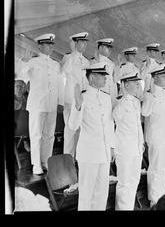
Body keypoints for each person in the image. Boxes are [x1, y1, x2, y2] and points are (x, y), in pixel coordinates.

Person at [68, 62, 115, 210]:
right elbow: (72, 126)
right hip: (89, 154)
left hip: (105, 153)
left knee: (102, 194)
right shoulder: (82, 97)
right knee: (86, 195)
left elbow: (109, 124)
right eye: (102, 75)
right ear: (92, 77)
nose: (105, 78)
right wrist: (78, 106)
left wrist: (112, 147)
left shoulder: (106, 97)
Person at [16, 33, 64, 175]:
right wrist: (24, 60)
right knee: (36, 135)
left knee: (49, 134)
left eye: (52, 45)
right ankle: (36, 164)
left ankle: (45, 161)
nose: (51, 47)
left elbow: (60, 84)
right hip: (37, 104)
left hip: (51, 104)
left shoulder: (55, 64)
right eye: (48, 45)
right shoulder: (32, 62)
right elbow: (20, 75)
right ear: (40, 46)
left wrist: (60, 102)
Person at [141, 64, 165, 207]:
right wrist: (152, 94)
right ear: (154, 78)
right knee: (155, 169)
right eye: (162, 76)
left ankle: (161, 194)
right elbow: (145, 113)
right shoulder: (150, 95)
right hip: (156, 137)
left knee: (163, 169)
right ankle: (154, 199)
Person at [112, 71, 144, 210]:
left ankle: (129, 208)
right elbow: (116, 116)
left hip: (136, 148)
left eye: (138, 81)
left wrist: (141, 142)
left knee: (134, 181)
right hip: (124, 149)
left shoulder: (136, 101)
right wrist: (124, 97)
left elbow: (138, 126)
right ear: (125, 84)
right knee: (124, 183)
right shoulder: (119, 101)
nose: (138, 84)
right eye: (134, 82)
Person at [61, 32, 90, 159]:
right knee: (69, 130)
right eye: (82, 42)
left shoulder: (86, 61)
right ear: (75, 43)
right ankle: (68, 159)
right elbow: (64, 70)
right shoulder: (68, 57)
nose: (85, 45)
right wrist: (73, 53)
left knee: (80, 129)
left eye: (85, 42)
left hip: (82, 100)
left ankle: (78, 158)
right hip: (70, 99)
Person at [91, 38, 120, 103]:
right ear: (100, 48)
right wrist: (97, 61)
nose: (109, 50)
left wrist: (118, 67)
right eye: (107, 47)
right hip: (100, 96)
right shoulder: (93, 62)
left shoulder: (111, 63)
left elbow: (115, 80)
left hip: (112, 95)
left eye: (110, 48)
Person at [14, 79, 30, 152]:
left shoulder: (27, 98)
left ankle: (25, 140)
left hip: (26, 129)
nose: (19, 88)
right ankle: (25, 141)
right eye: (17, 86)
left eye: (22, 86)